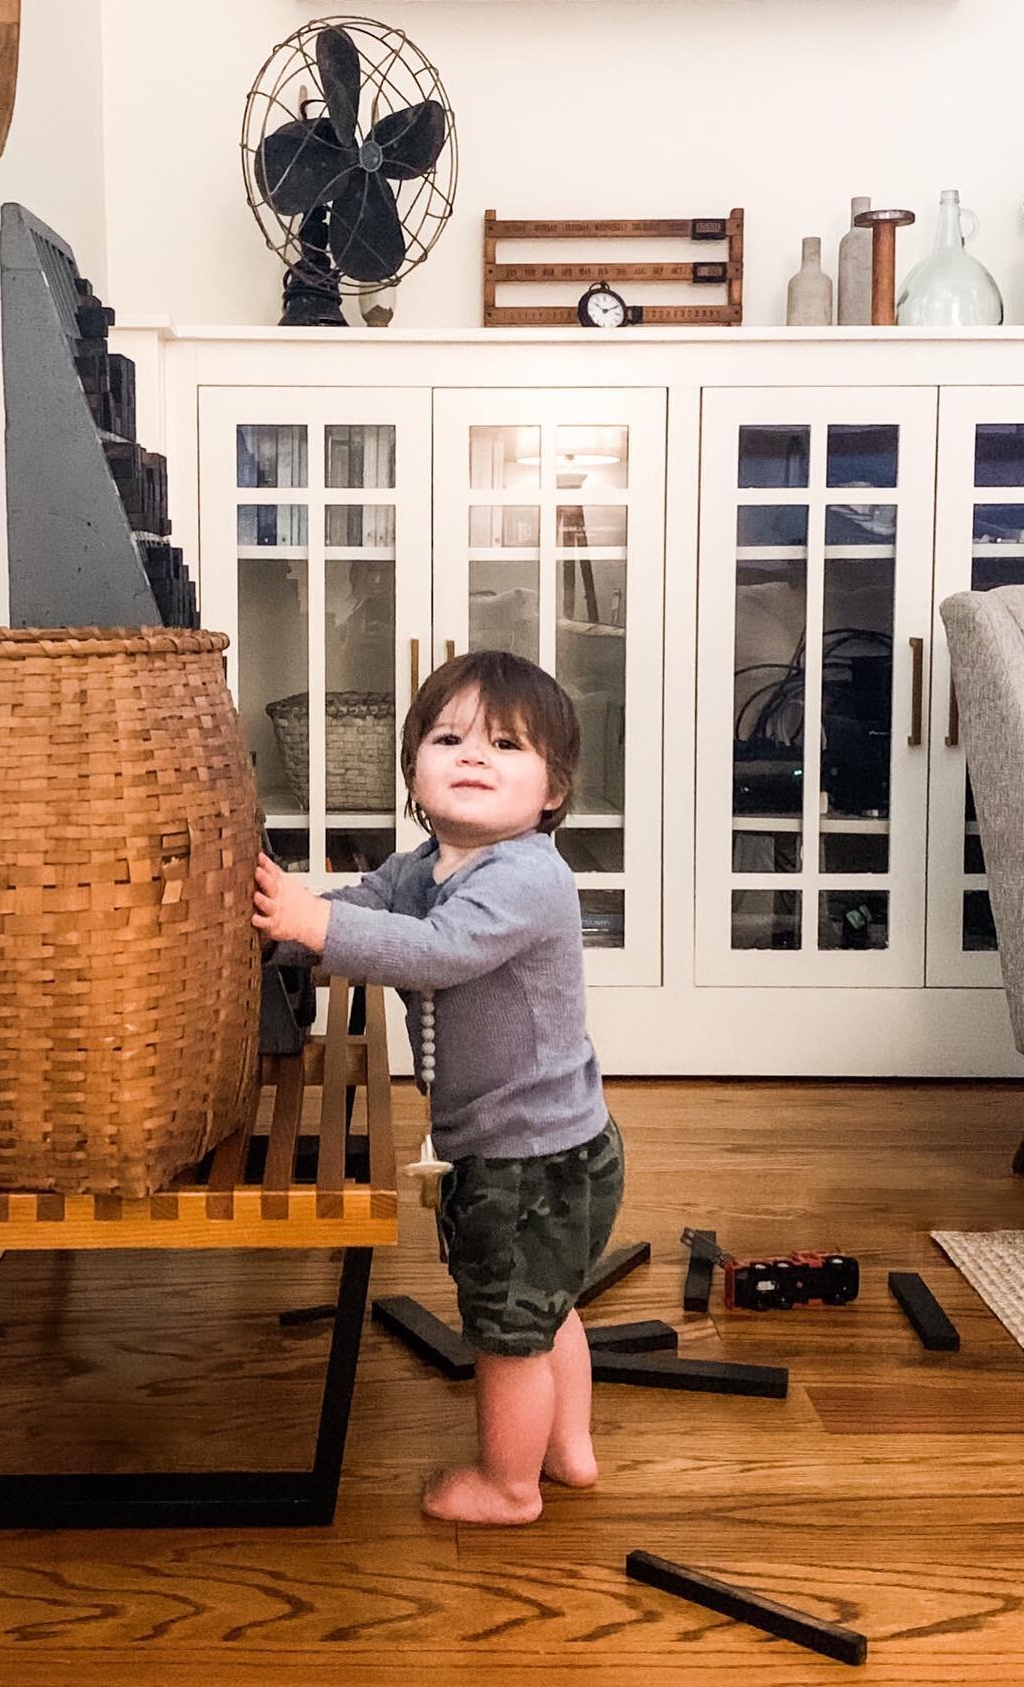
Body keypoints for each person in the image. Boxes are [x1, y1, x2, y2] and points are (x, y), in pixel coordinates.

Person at [252, 650, 624, 1526]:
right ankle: (568, 1452)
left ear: (555, 789)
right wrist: (289, 931)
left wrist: (318, 923)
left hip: (528, 1161)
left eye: (505, 744)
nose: (473, 756)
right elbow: (372, 906)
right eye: (449, 736)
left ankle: (509, 1484)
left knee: (504, 1335)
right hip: (541, 1146)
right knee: (549, 1305)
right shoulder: (429, 862)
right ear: (414, 767)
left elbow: (435, 953)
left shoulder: (528, 876)